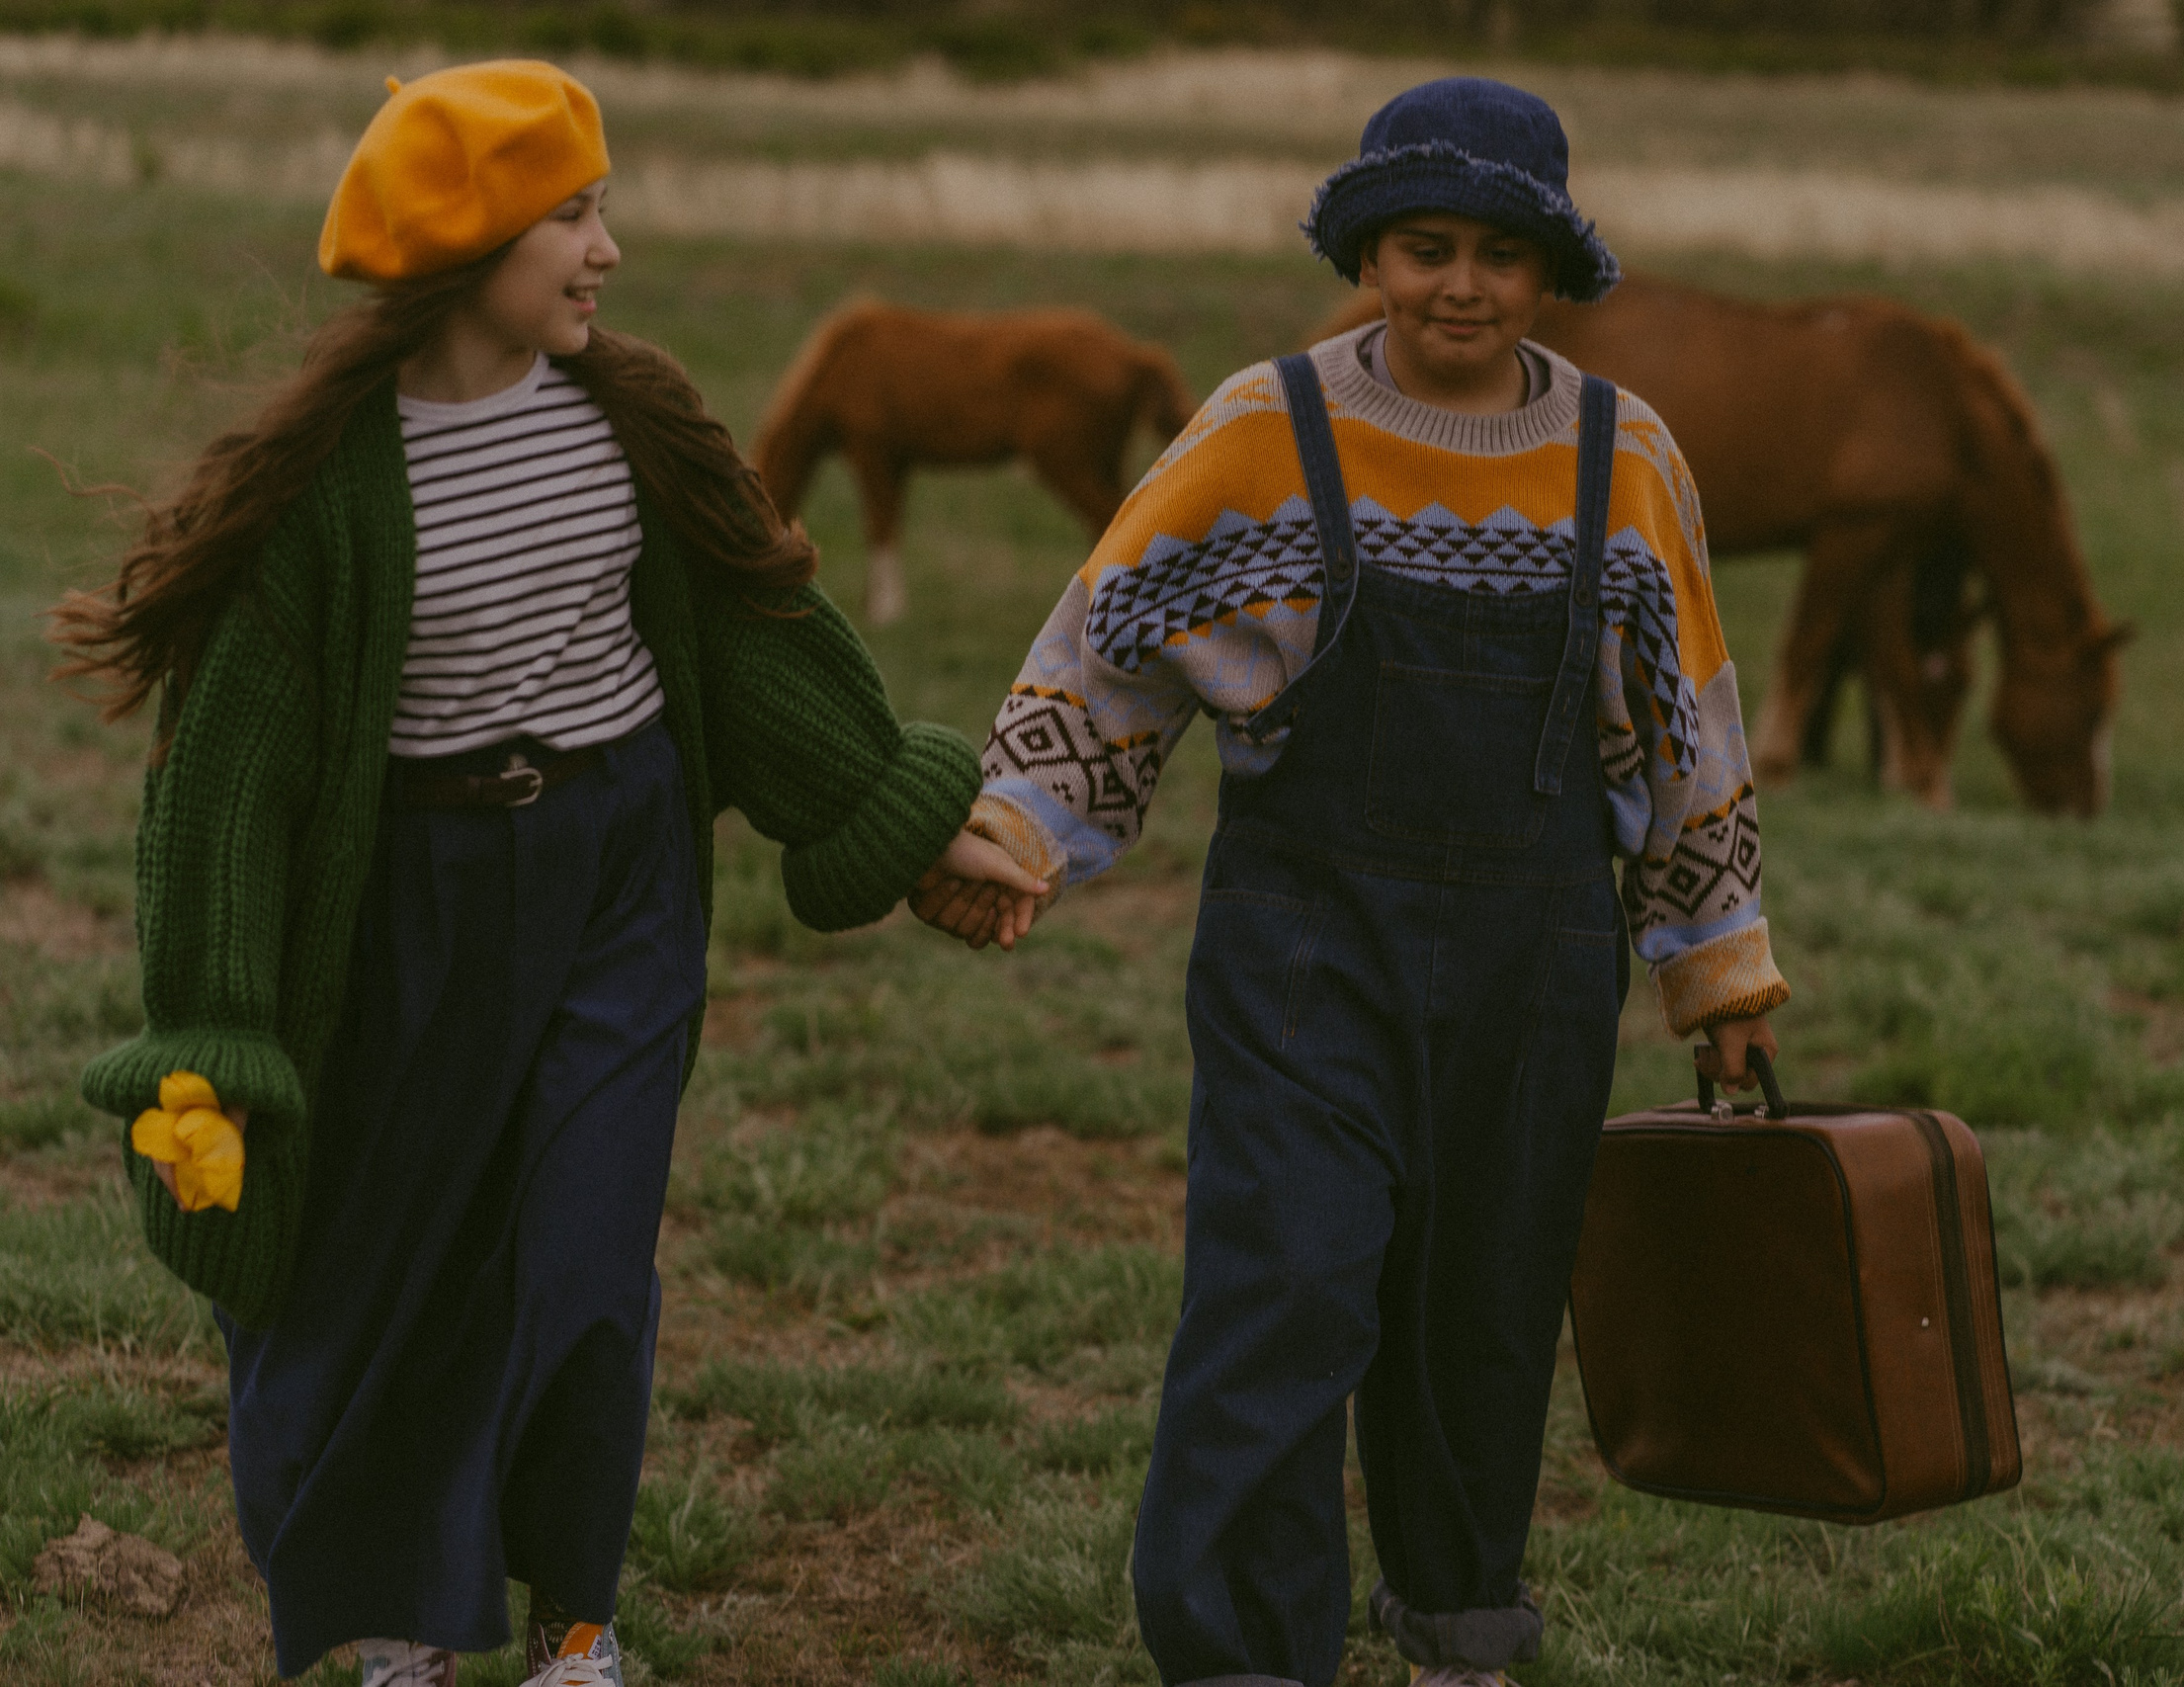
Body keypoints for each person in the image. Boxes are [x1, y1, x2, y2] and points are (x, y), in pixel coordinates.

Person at [51, 60, 1043, 1687]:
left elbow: (750, 631)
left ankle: (576, 1620)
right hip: (415, 906)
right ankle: (409, 1622)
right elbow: (226, 785)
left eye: (603, 210)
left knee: (585, 1256)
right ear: (469, 243)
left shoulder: (629, 415)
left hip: (619, 877)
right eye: (574, 216)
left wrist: (894, 803)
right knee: (408, 1263)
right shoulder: (329, 493)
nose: (610, 251)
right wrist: (211, 1043)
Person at [916, 75, 1789, 1687]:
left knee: (1488, 1310)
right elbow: (1108, 639)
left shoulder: (1624, 457)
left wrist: (1717, 968)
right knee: (1287, 1287)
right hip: (1303, 950)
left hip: (1538, 965)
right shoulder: (1272, 427)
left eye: (1502, 254)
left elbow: (1686, 726)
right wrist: (1023, 828)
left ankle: (1463, 1631)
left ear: (1553, 273)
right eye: (1423, 246)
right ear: (1368, 255)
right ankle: (1244, 1653)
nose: (1462, 284)